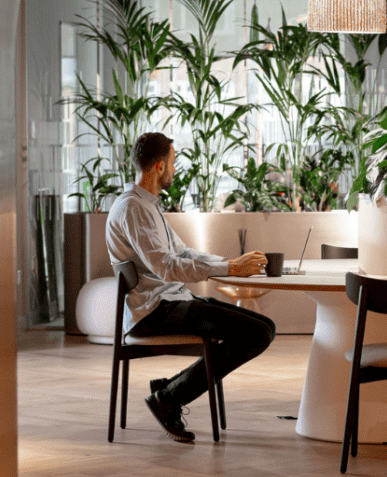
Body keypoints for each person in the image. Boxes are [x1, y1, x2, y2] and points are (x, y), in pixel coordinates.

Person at [106, 132, 276, 443]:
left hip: (171, 302)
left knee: (264, 326)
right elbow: (167, 267)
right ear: (159, 166)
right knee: (259, 333)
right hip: (156, 313)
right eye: (172, 162)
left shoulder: (146, 206)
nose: (174, 169)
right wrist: (229, 268)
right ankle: (169, 397)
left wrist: (228, 263)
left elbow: (181, 253)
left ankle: (169, 390)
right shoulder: (134, 209)